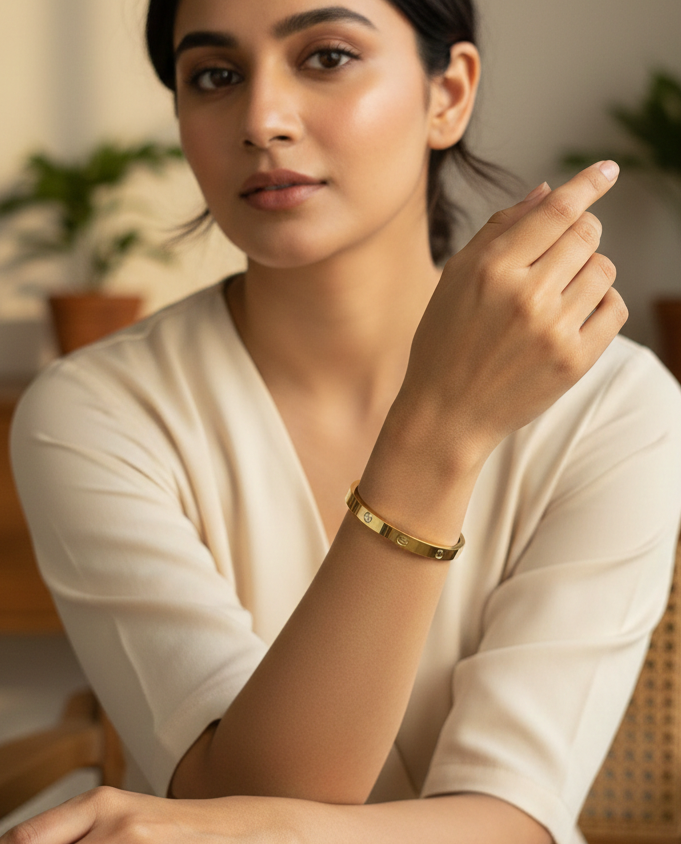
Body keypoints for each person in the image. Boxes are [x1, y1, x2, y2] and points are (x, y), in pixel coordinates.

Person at [5, 0, 681, 842]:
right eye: (214, 75)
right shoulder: (95, 411)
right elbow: (237, 796)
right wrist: (435, 435)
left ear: (449, 94)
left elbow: (515, 820)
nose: (262, 120)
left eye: (325, 57)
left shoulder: (612, 402)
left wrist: (443, 423)